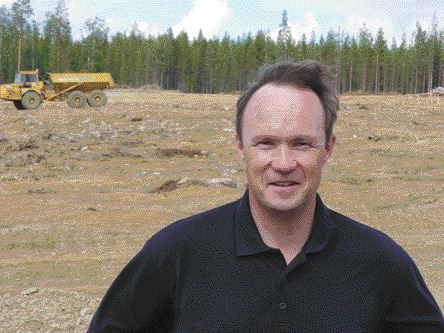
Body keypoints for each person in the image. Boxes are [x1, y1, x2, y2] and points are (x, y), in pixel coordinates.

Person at [88, 60, 443, 332]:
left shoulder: (380, 262)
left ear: (328, 148)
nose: (284, 163)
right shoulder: (176, 253)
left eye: (302, 143)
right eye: (266, 143)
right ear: (241, 146)